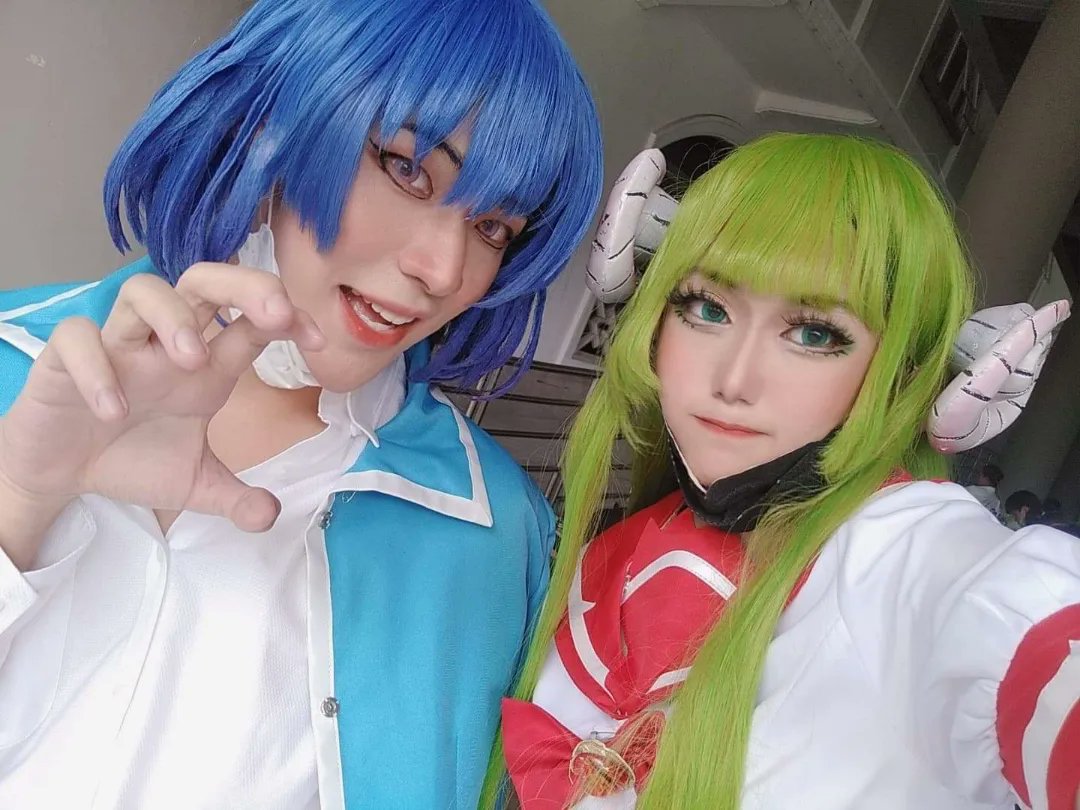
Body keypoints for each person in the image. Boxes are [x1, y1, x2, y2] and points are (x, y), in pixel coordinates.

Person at [0, 1, 602, 808]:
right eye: (407, 168)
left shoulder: (496, 534)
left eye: (494, 226)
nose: (444, 269)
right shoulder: (19, 361)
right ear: (273, 128)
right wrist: (20, 499)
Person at [486, 134, 1080, 809]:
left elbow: (1022, 640)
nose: (734, 380)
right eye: (707, 309)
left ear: (901, 376)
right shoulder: (614, 551)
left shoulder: (905, 553)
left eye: (814, 334)